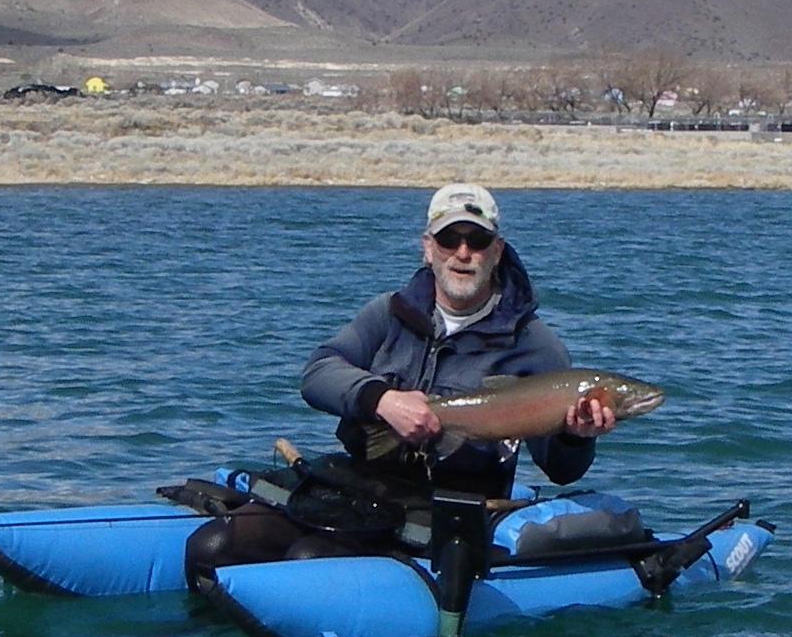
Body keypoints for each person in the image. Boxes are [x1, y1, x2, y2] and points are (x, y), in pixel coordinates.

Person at [183, 184, 616, 582]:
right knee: (212, 546)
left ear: (497, 251)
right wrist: (381, 399)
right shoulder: (389, 313)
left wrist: (576, 438)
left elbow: (561, 470)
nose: (463, 253)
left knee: (309, 561)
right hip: (360, 485)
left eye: (477, 241)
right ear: (428, 249)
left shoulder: (535, 345)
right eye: (449, 239)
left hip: (451, 510)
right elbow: (318, 371)